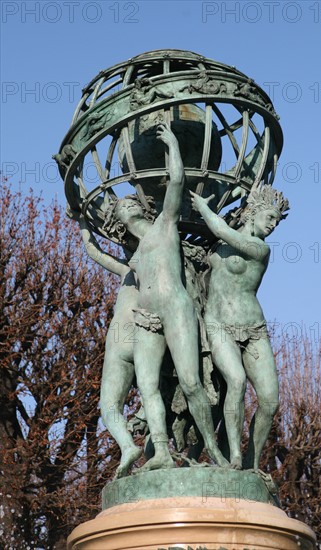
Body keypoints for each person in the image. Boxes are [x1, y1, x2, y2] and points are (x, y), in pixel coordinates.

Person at [105, 122, 228, 470]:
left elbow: (176, 182)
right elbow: (99, 251)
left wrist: (173, 144)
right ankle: (160, 451)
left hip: (176, 309)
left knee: (190, 383)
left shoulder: (165, 223)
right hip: (146, 317)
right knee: (147, 388)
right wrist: (84, 227)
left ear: (138, 209)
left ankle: (214, 452)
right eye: (119, 211)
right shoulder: (134, 257)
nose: (123, 209)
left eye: (127, 206)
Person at [190, 184, 289, 470]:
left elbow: (221, 230)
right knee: (235, 381)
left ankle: (252, 462)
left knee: (270, 401)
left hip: (254, 328)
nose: (273, 225)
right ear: (253, 213)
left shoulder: (260, 248)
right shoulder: (216, 243)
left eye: (277, 222)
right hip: (219, 324)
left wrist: (204, 207)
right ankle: (234, 456)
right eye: (269, 217)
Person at [69, 211, 142, 478]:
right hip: (150, 337)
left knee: (110, 405)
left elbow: (94, 251)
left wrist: (82, 221)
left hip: (122, 338)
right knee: (154, 396)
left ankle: (127, 446)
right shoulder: (163, 269)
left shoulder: (127, 269)